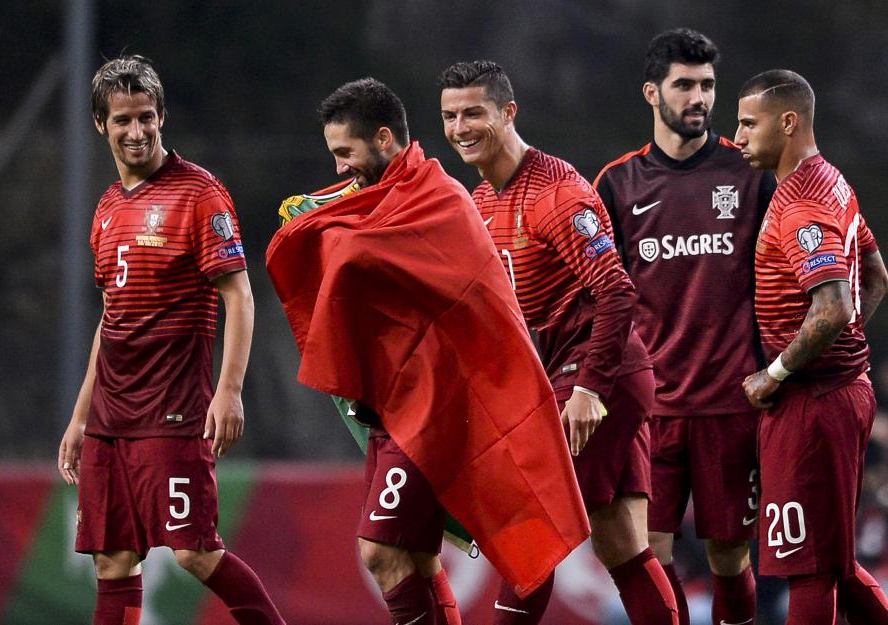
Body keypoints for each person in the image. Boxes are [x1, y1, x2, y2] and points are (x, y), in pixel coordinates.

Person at [267, 77, 590, 625]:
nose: (340, 168)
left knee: (381, 551)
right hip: (395, 409)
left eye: (346, 153)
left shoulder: (439, 197)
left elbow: (355, 256)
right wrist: (318, 221)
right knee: (415, 554)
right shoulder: (373, 201)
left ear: (385, 138)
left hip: (438, 411)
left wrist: (326, 231)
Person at [439, 61, 678, 625]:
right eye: (449, 116)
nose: (460, 127)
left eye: (474, 113)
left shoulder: (557, 193)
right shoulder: (480, 201)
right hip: (572, 381)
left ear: (508, 113)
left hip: (599, 378)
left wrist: (590, 390)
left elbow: (618, 291)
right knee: (620, 542)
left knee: (532, 535)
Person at [56, 55, 284, 625]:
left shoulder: (199, 194)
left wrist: (228, 391)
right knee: (113, 561)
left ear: (163, 116)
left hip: (174, 412)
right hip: (111, 418)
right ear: (99, 125)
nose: (136, 132)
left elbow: (239, 296)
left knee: (195, 552)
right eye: (123, 120)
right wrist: (81, 417)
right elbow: (110, 321)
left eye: (147, 117)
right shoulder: (107, 208)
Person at [593, 29, 776, 625]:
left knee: (728, 556)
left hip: (731, 402)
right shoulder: (617, 185)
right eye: (684, 85)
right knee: (654, 552)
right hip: (653, 408)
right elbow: (600, 296)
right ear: (652, 92)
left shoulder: (749, 174)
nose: (698, 97)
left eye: (707, 85)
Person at [736, 69, 888, 625]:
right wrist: (843, 352)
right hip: (841, 391)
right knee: (835, 561)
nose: (740, 134)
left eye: (750, 123)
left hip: (813, 404)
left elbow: (833, 309)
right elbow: (875, 276)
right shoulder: (832, 181)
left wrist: (775, 372)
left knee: (807, 566)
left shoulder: (799, 201)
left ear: (788, 121)